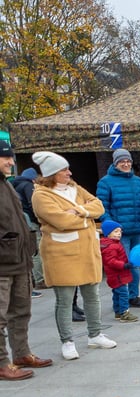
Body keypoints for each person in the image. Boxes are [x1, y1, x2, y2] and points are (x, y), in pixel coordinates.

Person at [31, 151, 117, 360]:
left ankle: (95, 334)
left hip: (87, 251)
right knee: (65, 299)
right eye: (64, 170)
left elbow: (98, 206)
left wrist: (80, 211)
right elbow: (61, 221)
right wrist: (86, 218)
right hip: (62, 254)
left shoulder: (75, 188)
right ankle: (67, 341)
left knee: (92, 294)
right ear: (52, 174)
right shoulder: (41, 195)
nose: (70, 173)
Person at [0, 140, 52, 380]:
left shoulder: (7, 185)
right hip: (3, 261)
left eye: (11, 157)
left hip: (20, 260)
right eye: (6, 157)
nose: (11, 162)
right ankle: (2, 363)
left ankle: (21, 353)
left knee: (21, 311)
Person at [96, 148, 140, 308]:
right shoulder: (105, 182)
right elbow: (102, 208)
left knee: (135, 265)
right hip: (119, 234)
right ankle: (123, 298)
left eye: (128, 161)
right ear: (115, 163)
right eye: (122, 161)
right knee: (122, 266)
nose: (126, 163)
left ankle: (133, 296)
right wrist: (112, 228)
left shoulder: (138, 181)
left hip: (137, 230)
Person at [11, 167, 45, 292]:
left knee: (30, 250)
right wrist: (39, 220)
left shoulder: (15, 185)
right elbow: (33, 205)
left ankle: (34, 278)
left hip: (22, 222)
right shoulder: (27, 186)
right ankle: (40, 280)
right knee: (37, 249)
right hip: (31, 222)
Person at [99, 220, 138, 323]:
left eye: (120, 232)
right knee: (123, 294)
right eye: (116, 231)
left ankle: (117, 312)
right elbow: (111, 261)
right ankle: (124, 313)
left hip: (115, 275)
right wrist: (124, 265)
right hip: (117, 275)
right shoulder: (111, 246)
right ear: (108, 233)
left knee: (116, 293)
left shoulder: (112, 244)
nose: (119, 234)